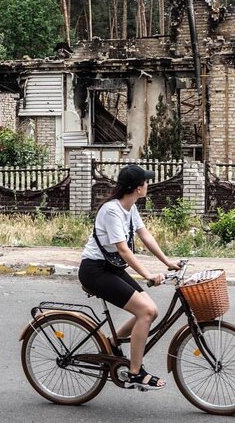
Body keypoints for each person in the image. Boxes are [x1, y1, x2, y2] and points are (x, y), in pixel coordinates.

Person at [78, 164, 180, 391]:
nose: (148, 185)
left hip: (111, 268)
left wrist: (167, 262)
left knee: (150, 310)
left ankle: (111, 343)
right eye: (145, 182)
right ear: (137, 188)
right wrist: (148, 275)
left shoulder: (129, 207)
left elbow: (145, 236)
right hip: (95, 270)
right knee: (145, 311)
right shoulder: (112, 210)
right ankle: (135, 372)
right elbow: (123, 250)